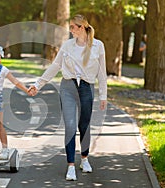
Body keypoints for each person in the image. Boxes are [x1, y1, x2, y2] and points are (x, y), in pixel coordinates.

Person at [28, 14, 107, 181]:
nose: (70, 30)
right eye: (70, 27)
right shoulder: (67, 46)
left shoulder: (98, 46)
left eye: (73, 27)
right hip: (68, 87)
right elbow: (55, 66)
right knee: (70, 126)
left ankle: (84, 159)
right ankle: (71, 165)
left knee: (84, 125)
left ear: (82, 27)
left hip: (87, 87)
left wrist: (103, 96)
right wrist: (38, 84)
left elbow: (102, 73)